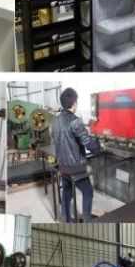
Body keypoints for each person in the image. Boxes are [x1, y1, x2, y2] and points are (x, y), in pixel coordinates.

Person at [52, 88, 98, 224]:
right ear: (74, 103)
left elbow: (57, 138)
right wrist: (99, 146)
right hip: (75, 167)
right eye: (76, 101)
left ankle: (67, 218)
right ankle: (87, 220)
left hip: (62, 165)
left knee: (67, 190)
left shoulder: (55, 121)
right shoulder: (75, 121)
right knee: (88, 192)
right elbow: (88, 143)